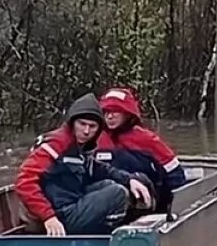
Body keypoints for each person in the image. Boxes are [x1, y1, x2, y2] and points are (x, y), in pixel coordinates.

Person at [14, 93, 153, 236]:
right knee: (116, 193)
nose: (86, 131)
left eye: (92, 126)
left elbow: (98, 168)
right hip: (59, 215)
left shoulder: (80, 146)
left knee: (110, 185)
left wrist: (129, 180)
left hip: (72, 201)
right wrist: (49, 217)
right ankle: (105, 237)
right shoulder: (57, 144)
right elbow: (24, 181)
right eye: (82, 124)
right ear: (72, 122)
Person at [96, 86, 187, 214]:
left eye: (115, 111)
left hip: (144, 202)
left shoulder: (147, 139)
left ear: (127, 113)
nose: (110, 116)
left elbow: (174, 173)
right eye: (106, 112)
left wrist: (177, 207)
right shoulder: (95, 139)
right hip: (106, 201)